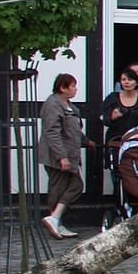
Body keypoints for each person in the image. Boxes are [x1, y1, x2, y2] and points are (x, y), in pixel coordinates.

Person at [39, 73, 85, 239]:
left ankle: (56, 219)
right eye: (73, 86)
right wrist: (62, 157)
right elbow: (52, 133)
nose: (75, 89)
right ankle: (55, 220)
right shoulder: (53, 105)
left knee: (74, 186)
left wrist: (87, 141)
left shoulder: (69, 106)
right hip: (58, 157)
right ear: (62, 88)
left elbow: (74, 130)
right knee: (59, 188)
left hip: (70, 155)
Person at [101, 65, 138, 146]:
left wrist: (137, 136)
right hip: (115, 141)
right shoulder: (112, 98)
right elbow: (105, 120)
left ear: (136, 82)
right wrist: (112, 118)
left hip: (137, 142)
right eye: (123, 79)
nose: (126, 82)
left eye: (130, 79)